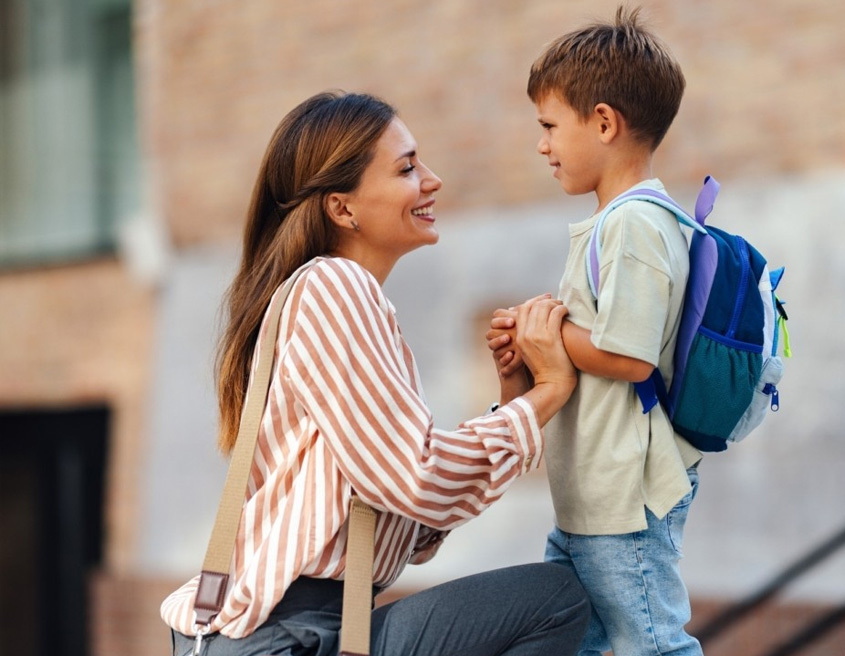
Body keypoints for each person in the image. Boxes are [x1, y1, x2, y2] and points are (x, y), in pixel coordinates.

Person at [160, 90, 590, 656]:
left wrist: (508, 402)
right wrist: (549, 393)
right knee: (557, 598)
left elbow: (407, 516)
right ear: (343, 208)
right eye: (408, 168)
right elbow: (415, 479)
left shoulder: (328, 299)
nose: (432, 181)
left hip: (302, 629)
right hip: (292, 634)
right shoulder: (337, 288)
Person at [487, 6, 704, 656]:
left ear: (604, 122)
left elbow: (629, 356)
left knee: (653, 644)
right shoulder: (616, 223)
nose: (542, 144)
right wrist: (535, 343)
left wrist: (545, 333)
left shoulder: (635, 224)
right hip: (591, 498)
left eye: (550, 126)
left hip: (622, 503)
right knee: (560, 641)